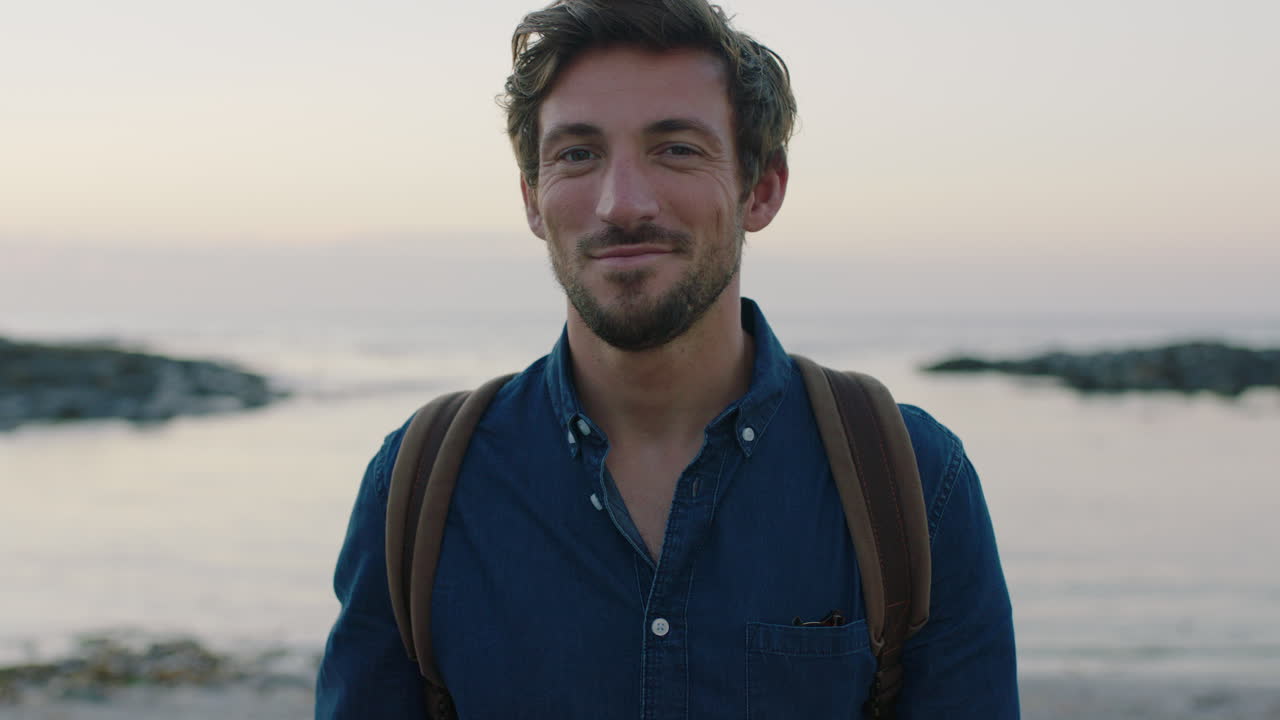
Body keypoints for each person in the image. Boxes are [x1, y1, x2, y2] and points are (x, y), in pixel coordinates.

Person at [316, 0, 1018, 717]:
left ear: (762, 187)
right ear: (532, 199)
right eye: (577, 154)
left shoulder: (913, 482)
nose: (623, 204)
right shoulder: (420, 486)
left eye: (677, 148)